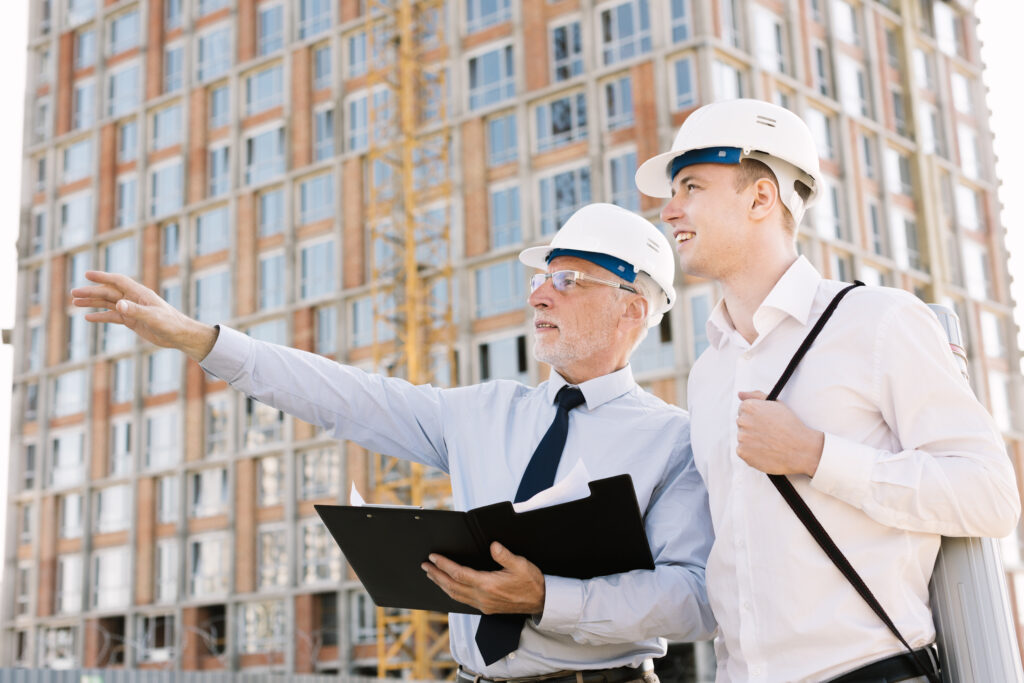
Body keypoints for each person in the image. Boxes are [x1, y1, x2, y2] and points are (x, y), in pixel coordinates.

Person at [71, 202, 715, 682]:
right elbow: (344, 395)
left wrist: (548, 598)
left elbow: (693, 601)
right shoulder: (481, 412)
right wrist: (201, 339)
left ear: (633, 307)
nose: (540, 294)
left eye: (569, 280)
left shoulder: (674, 441)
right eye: (541, 279)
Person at [635, 98, 1020, 682]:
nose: (669, 210)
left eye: (690, 186)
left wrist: (818, 456)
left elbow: (990, 496)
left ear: (761, 197)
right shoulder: (708, 371)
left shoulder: (878, 321)